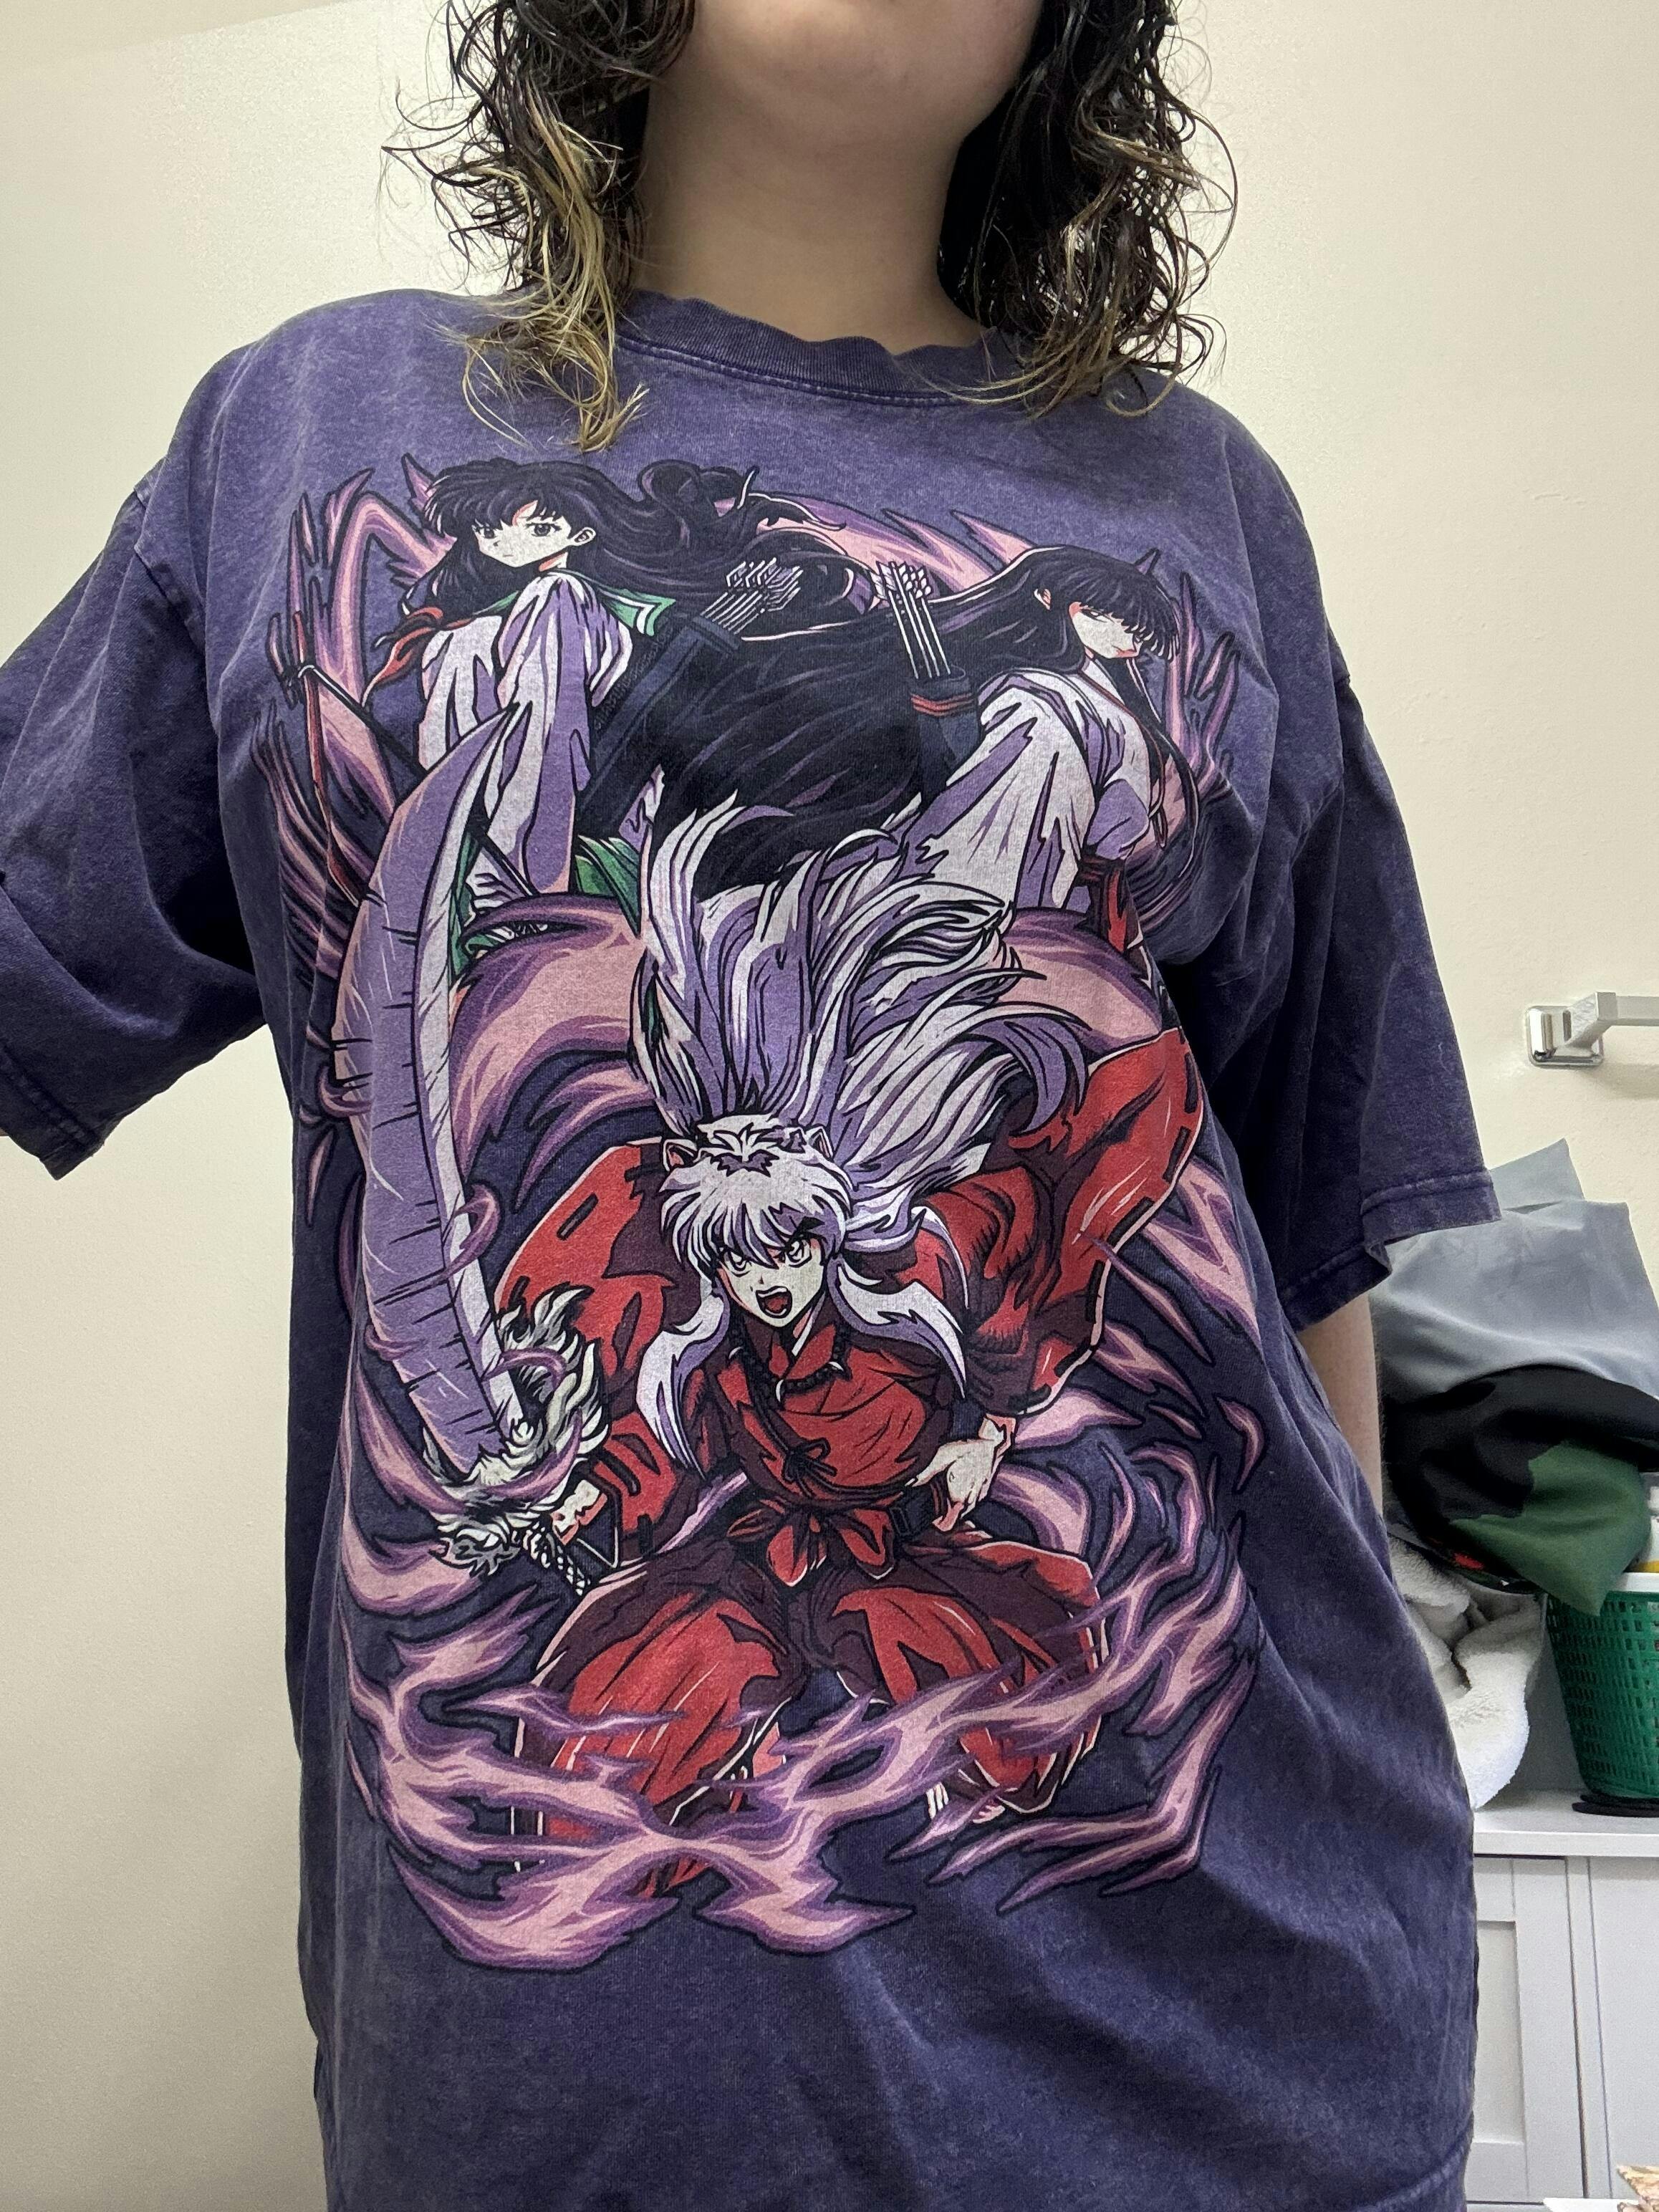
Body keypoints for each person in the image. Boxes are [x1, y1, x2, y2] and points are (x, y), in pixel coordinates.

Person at [0, 5, 1500, 2209]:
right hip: (595, 2089)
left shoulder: (1194, 502)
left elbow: (1300, 1235)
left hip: (1240, 2025)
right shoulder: (316, 426)